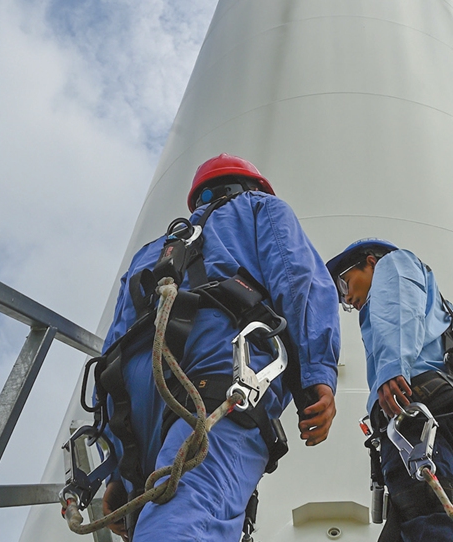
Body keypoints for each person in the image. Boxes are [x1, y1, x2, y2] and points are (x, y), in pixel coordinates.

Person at [95, 154, 340, 541]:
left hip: (134, 391)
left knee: (161, 514)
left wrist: (118, 470)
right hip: (217, 366)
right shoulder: (262, 209)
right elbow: (299, 282)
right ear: (254, 187)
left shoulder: (156, 248)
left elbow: (115, 339)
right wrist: (316, 374)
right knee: (191, 511)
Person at [327, 239, 453, 542]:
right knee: (438, 521)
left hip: (421, 415)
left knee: (426, 518)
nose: (349, 301)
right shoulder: (441, 312)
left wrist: (391, 369)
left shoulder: (393, 265)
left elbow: (398, 307)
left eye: (344, 286)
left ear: (370, 262)